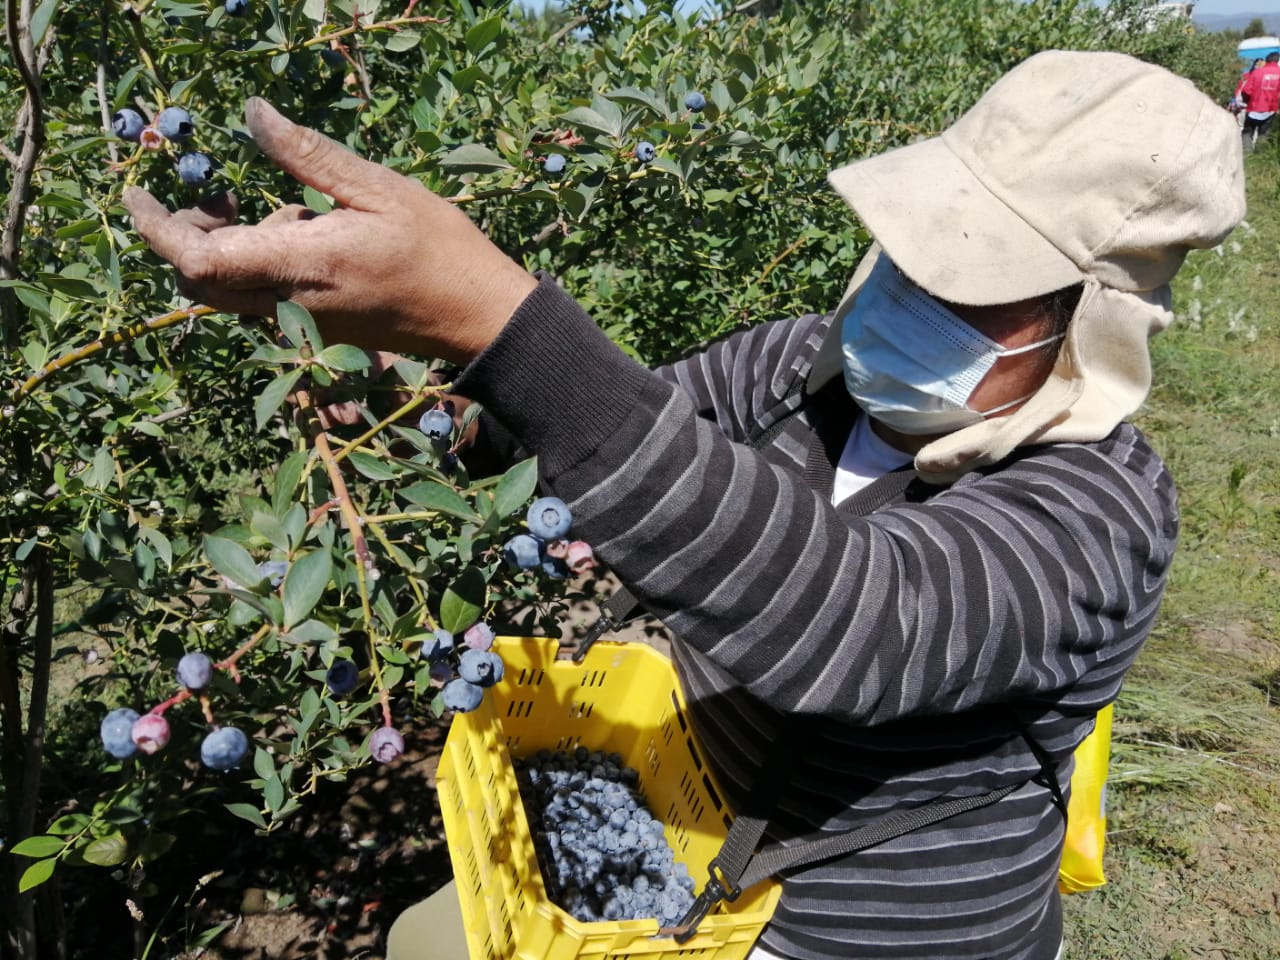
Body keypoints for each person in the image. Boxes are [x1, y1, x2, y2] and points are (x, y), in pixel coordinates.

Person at [125, 50, 1244, 960]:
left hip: (874, 938)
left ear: (1091, 320)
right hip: (675, 841)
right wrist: (378, 364)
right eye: (910, 249)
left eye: (972, 282)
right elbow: (571, 437)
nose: (911, 291)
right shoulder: (803, 367)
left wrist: (491, 316)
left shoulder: (1097, 512)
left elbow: (854, 622)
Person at [1237, 50, 1280, 150]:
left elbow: (1246, 90)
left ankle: (1247, 156)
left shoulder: (1257, 73)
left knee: (1247, 132)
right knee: (1264, 133)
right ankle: (1259, 157)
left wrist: (1247, 102)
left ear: (1267, 60)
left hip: (1253, 108)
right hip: (1270, 110)